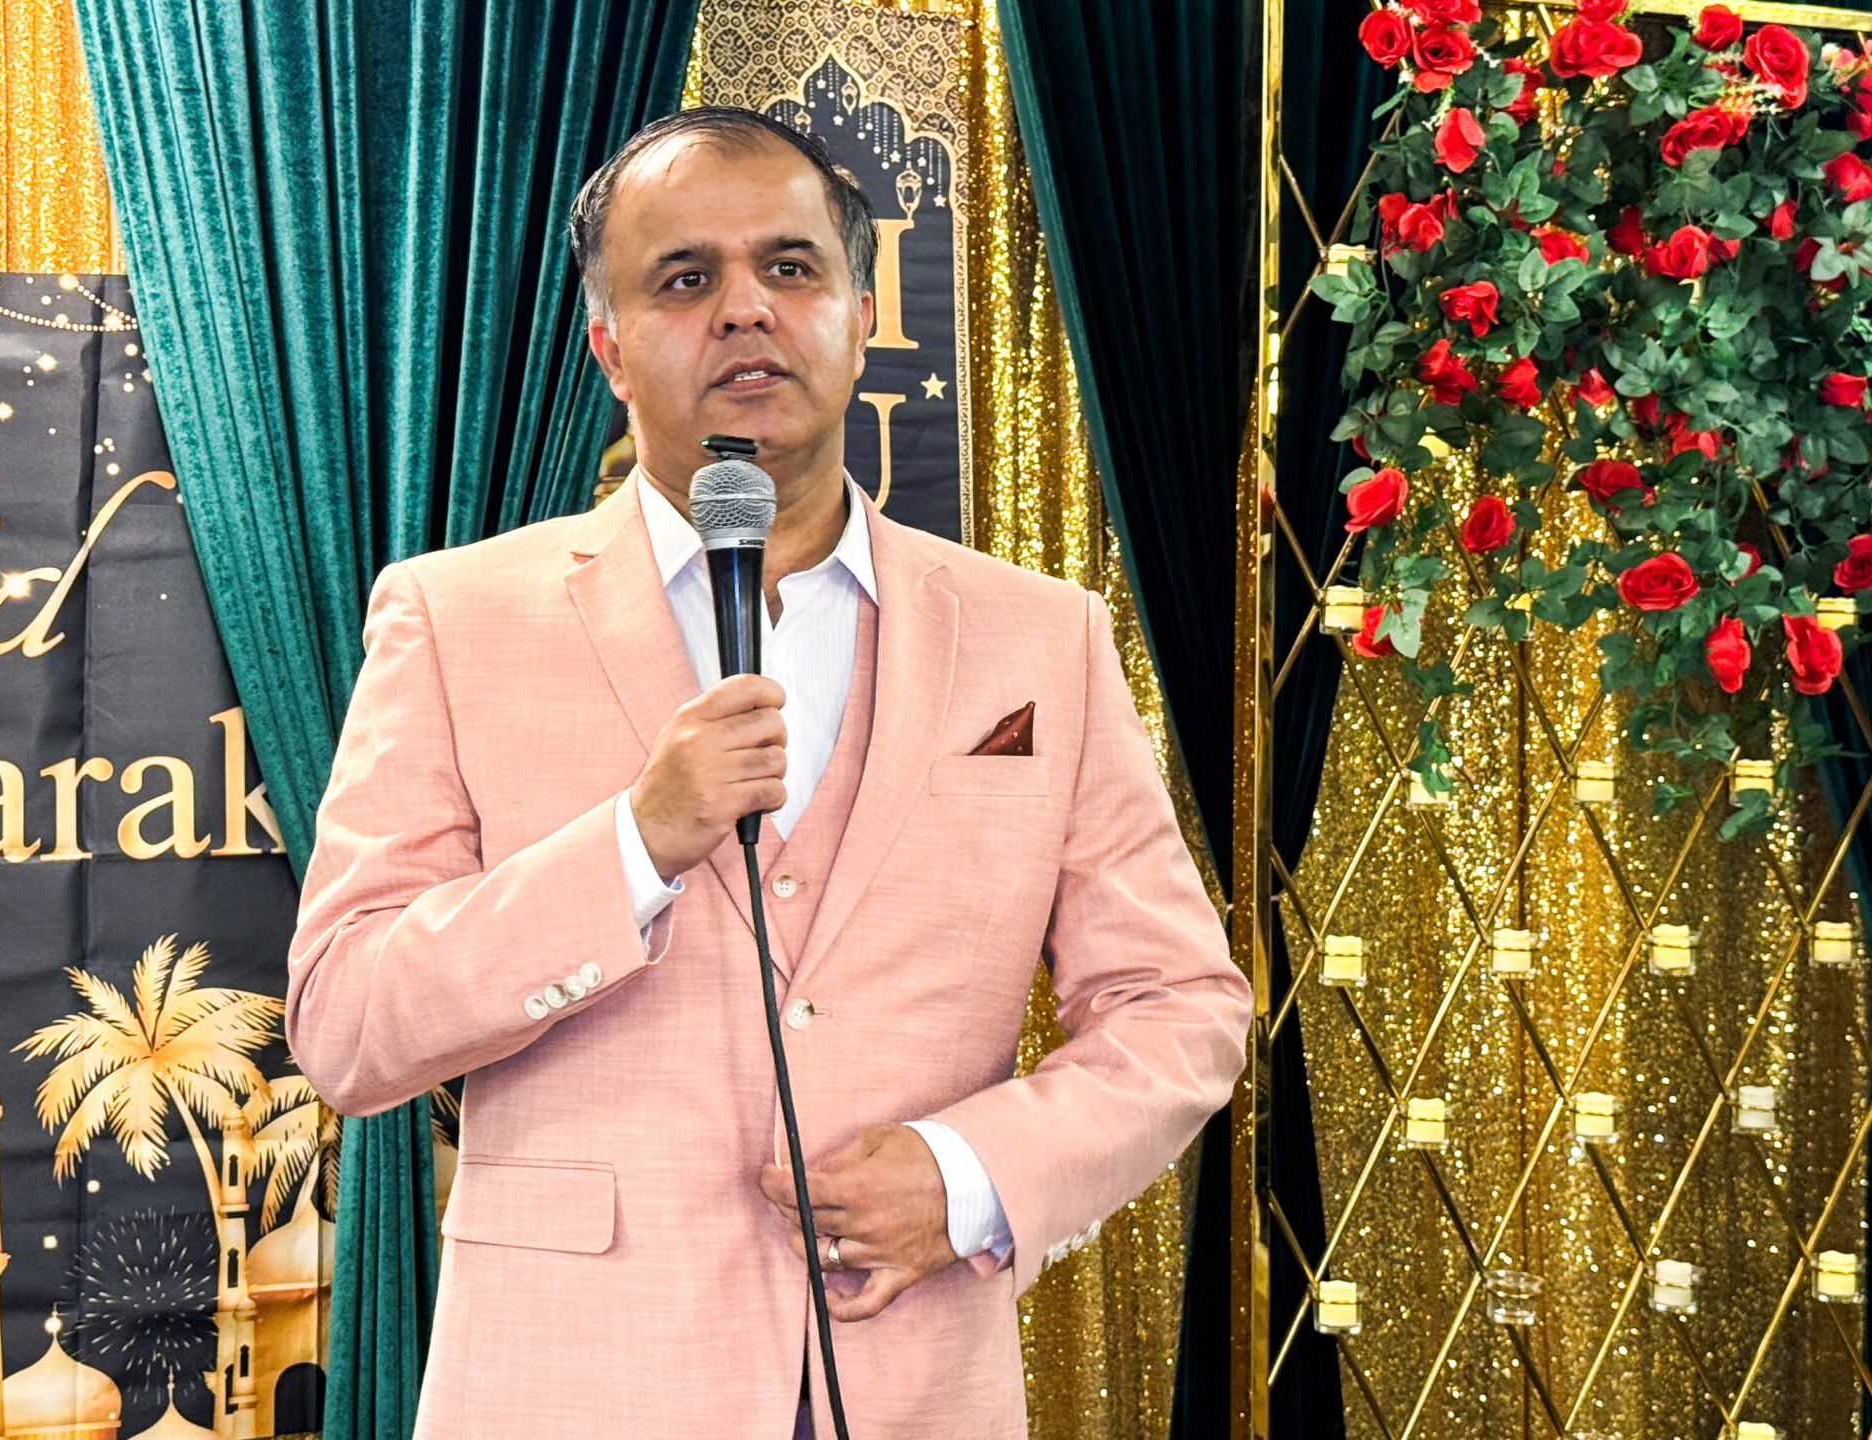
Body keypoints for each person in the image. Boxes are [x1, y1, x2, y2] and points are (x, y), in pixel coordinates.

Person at [286, 106, 1250, 1439]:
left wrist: (966, 1174)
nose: (745, 309)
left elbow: (1180, 1006)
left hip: (913, 1383)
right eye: (684, 279)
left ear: (862, 314)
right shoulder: (455, 619)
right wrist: (634, 845)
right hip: (576, 1388)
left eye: (790, 268)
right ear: (608, 346)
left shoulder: (1043, 639)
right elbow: (345, 1023)